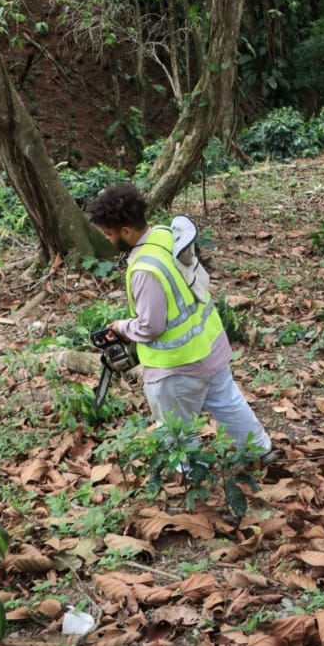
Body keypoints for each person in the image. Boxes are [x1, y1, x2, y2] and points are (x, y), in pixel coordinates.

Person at [86, 184, 274, 461]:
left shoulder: (144, 270)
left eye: (109, 234)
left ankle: (189, 477)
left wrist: (122, 327)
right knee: (229, 403)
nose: (109, 239)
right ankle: (260, 450)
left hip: (178, 366)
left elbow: (151, 327)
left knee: (177, 429)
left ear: (126, 231)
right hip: (209, 345)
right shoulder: (164, 234)